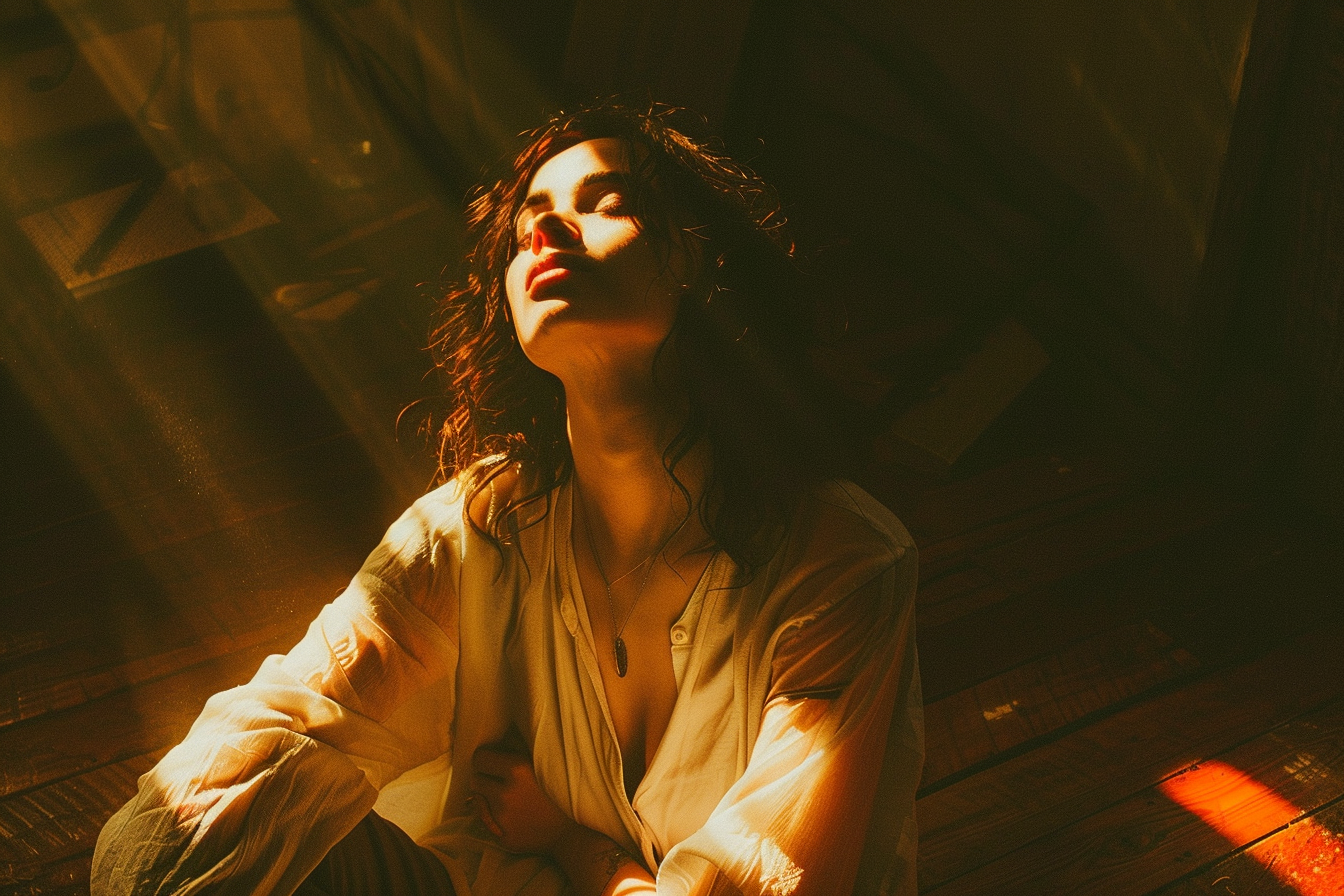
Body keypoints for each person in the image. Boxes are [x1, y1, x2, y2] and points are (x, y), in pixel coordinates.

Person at [92, 101, 923, 896]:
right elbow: (284, 723)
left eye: (607, 203)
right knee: (179, 838)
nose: (545, 231)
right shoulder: (481, 522)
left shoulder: (837, 564)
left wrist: (569, 840)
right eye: (529, 221)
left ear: (698, 260)